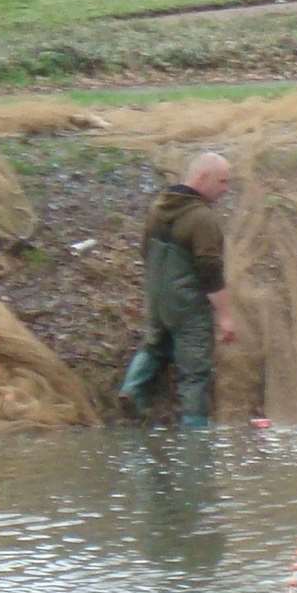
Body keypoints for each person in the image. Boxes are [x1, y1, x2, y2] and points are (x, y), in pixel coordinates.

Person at [118, 151, 236, 427]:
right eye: (222, 182)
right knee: (195, 372)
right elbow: (210, 272)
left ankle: (132, 391)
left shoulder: (159, 206)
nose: (226, 190)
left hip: (158, 298)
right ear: (202, 177)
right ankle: (195, 436)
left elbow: (146, 250)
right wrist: (226, 316)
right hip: (188, 305)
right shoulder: (202, 219)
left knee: (154, 345)